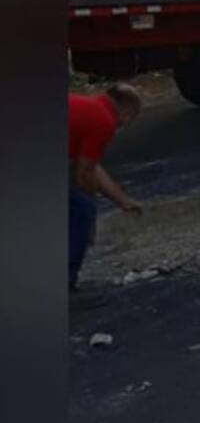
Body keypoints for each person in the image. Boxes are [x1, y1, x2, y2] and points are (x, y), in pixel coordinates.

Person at [68, 84, 143, 300]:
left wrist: (122, 201)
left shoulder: (90, 108)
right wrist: (91, 218)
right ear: (126, 109)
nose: (126, 124)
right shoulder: (104, 121)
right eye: (132, 117)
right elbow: (84, 173)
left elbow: (91, 166)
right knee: (82, 209)